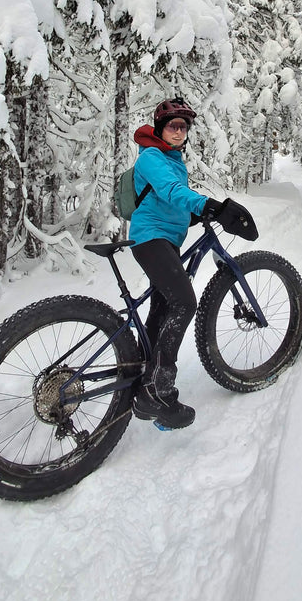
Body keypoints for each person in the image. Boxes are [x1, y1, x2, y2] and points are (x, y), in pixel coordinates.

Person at [128, 96, 223, 430]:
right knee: (184, 302)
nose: (179, 132)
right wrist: (207, 204)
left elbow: (166, 201)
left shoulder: (171, 158)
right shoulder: (151, 157)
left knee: (163, 309)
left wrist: (195, 215)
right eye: (173, 126)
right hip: (150, 239)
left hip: (164, 240)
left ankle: (143, 375)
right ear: (160, 128)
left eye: (183, 127)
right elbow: (169, 191)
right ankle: (159, 389)